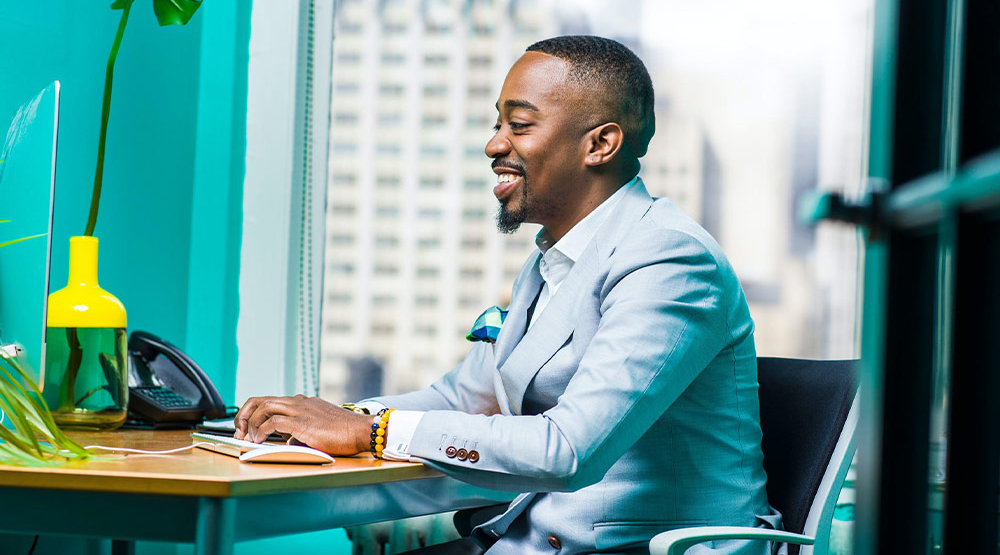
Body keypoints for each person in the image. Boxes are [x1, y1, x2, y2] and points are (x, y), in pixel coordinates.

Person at [235, 35, 781, 555]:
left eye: (519, 125)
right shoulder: (555, 260)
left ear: (601, 143)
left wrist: (371, 431)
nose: (494, 144)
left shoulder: (669, 260)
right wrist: (328, 419)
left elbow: (567, 451)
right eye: (498, 124)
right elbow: (462, 399)